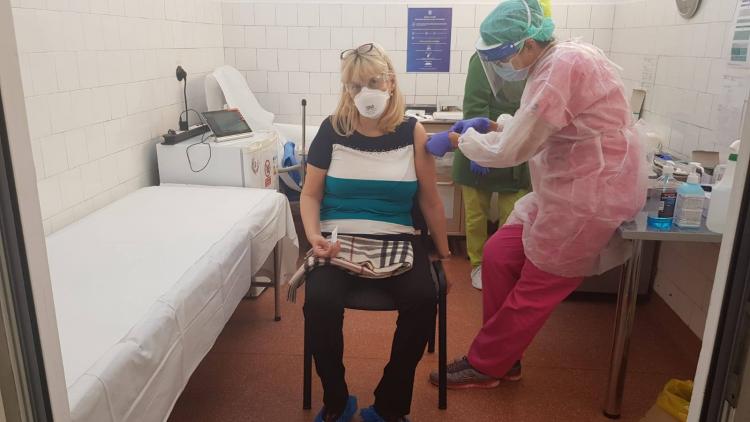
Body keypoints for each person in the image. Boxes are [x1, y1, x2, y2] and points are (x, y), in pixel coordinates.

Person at [425, 0, 647, 388]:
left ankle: (488, 364)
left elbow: (513, 149)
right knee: (497, 254)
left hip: (588, 198)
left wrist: (459, 141)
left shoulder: (563, 66)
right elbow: (539, 125)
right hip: (560, 188)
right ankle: (505, 356)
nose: (502, 66)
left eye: (503, 57)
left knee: (534, 289)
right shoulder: (551, 65)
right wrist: (492, 124)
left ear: (529, 43)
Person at [300, 43, 450, 422]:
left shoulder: (413, 131)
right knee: (319, 301)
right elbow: (310, 194)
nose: (364, 92)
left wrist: (443, 252)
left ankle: (389, 405)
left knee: (423, 298)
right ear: (346, 89)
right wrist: (314, 236)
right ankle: (337, 401)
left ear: (390, 81)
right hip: (337, 239)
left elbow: (430, 199)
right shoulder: (331, 130)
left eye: (372, 81)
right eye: (355, 85)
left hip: (398, 236)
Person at [455, 63, 529, 291]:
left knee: (514, 217)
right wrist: (479, 149)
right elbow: (476, 106)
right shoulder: (482, 60)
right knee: (477, 216)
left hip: (515, 146)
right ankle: (478, 265)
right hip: (481, 143)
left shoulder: (531, 60)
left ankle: (503, 265)